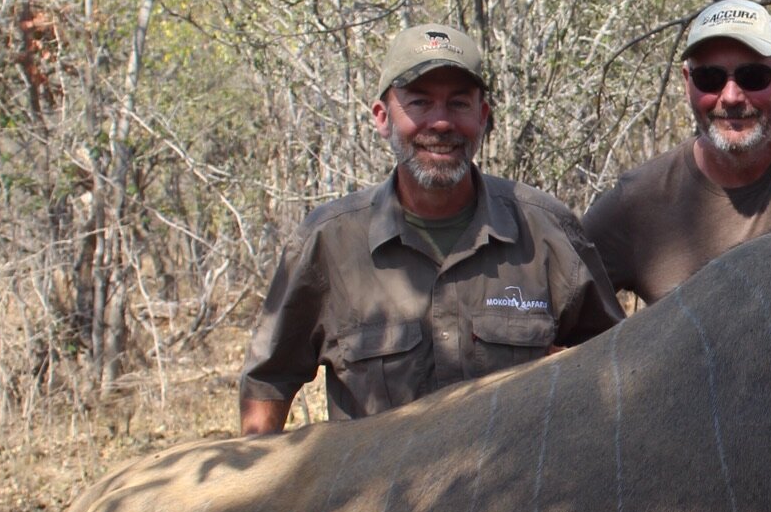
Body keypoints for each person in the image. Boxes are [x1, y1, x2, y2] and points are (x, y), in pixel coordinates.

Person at [238, 23, 621, 433]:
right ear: (382, 118)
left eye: (458, 104)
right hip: (376, 494)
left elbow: (617, 366)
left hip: (521, 491)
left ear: (483, 117)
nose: (441, 124)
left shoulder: (546, 230)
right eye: (419, 103)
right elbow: (267, 384)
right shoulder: (329, 242)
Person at [582, 0, 771, 304]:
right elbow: (555, 307)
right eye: (710, 79)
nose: (730, 97)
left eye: (753, 77)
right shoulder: (638, 202)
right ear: (688, 84)